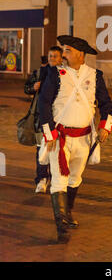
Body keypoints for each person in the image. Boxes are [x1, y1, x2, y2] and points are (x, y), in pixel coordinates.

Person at [38, 35, 112, 243]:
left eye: (68, 51)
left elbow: (107, 105)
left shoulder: (95, 75)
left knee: (75, 178)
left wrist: (105, 126)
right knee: (59, 180)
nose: (64, 54)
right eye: (64, 50)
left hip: (84, 138)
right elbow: (43, 104)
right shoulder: (55, 74)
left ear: (80, 54)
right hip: (59, 138)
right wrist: (49, 133)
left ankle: (67, 212)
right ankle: (60, 224)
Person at [24, 48, 63, 193]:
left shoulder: (64, 73)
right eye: (50, 56)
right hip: (41, 118)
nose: (52, 58)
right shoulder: (40, 73)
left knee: (57, 150)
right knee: (41, 149)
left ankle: (55, 178)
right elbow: (26, 88)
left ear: (61, 59)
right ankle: (41, 179)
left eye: (55, 56)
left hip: (60, 118)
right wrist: (33, 88)